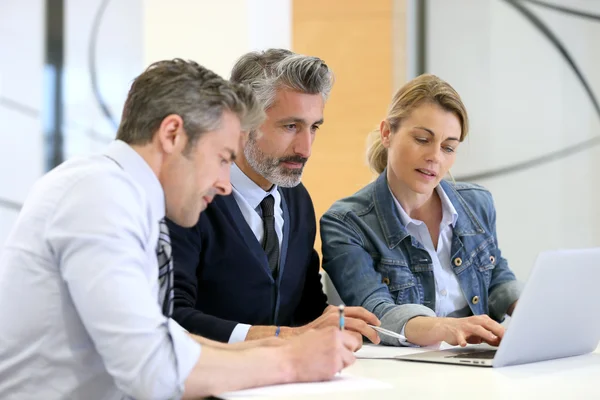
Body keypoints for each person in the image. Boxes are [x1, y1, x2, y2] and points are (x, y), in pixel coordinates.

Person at [0, 59, 359, 400]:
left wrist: (281, 344)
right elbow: (153, 371)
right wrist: (292, 361)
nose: (224, 184)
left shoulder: (124, 197)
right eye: (222, 159)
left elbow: (166, 339)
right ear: (172, 134)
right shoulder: (98, 196)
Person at [168, 49, 380, 346]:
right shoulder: (191, 198)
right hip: (209, 381)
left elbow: (307, 311)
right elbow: (171, 315)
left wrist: (342, 322)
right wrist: (279, 336)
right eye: (290, 126)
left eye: (314, 127)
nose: (305, 149)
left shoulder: (297, 200)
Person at [320, 74, 522, 348]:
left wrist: (527, 308)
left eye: (448, 147)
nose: (435, 157)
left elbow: (496, 274)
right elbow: (376, 312)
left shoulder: (477, 203)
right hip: (405, 372)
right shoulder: (346, 222)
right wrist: (446, 328)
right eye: (422, 139)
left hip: (475, 362)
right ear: (387, 133)